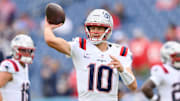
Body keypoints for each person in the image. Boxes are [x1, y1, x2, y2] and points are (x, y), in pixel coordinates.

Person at [44, 9, 137, 101]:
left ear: (108, 29)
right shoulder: (80, 46)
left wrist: (122, 70)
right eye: (92, 27)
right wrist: (47, 28)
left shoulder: (120, 52)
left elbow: (133, 86)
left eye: (99, 28)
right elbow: (50, 41)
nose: (95, 31)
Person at [0, 34, 35, 101]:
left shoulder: (24, 66)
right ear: (15, 50)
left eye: (29, 51)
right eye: (23, 50)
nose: (27, 53)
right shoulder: (10, 65)